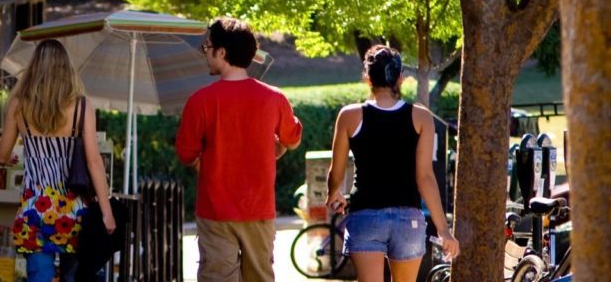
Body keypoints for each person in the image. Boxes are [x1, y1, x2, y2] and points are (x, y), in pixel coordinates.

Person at [176, 17, 303, 282]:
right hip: (259, 210)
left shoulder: (200, 101)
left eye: (206, 46)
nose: (205, 53)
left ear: (221, 52)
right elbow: (292, 139)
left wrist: (207, 162)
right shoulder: (275, 98)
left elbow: (187, 155)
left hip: (215, 211)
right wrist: (277, 148)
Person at [326, 45, 459, 282]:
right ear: (400, 78)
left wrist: (333, 192)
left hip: (365, 216)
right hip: (408, 219)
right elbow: (425, 177)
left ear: (368, 78)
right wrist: (444, 230)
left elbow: (336, 172)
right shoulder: (421, 117)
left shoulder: (349, 116)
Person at [0, 39, 116, 282]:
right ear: (66, 68)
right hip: (74, 208)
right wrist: (106, 212)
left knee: (39, 275)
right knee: (76, 275)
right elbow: (94, 162)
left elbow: (2, 155)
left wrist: (7, 160)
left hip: (34, 207)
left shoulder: (19, 106)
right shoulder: (82, 107)